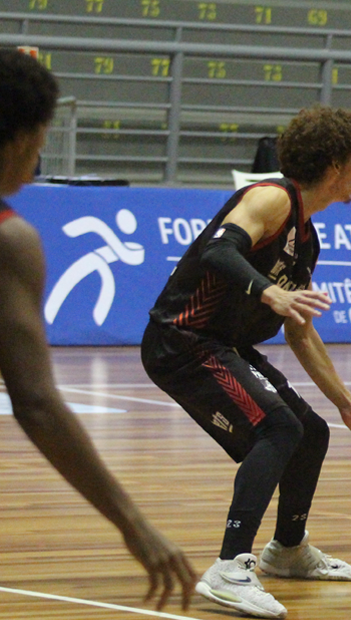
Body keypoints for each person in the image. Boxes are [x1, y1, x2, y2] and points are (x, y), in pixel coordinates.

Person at [141, 106, 351, 619]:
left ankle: (289, 550)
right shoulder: (271, 197)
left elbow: (301, 331)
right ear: (333, 164)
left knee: (311, 431)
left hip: (223, 345)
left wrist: (346, 404)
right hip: (183, 341)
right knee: (276, 429)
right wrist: (268, 291)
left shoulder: (307, 238)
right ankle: (230, 568)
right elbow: (219, 250)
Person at [0, 48, 197, 613]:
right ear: (19, 138)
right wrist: (133, 523)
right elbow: (35, 402)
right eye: (40, 138)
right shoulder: (10, 241)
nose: (39, 155)